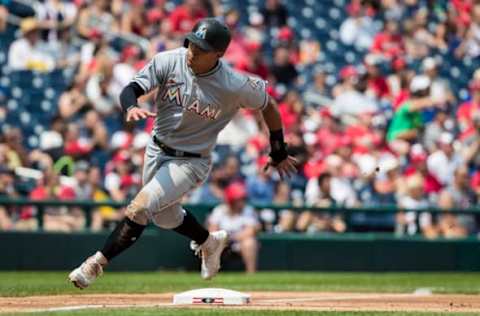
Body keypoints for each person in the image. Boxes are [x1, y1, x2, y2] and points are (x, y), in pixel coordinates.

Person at [69, 18, 297, 289]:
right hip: (156, 149)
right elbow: (131, 89)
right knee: (165, 218)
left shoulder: (234, 84)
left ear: (219, 54)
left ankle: (95, 264)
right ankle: (209, 242)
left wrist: (278, 148)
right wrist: (130, 106)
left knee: (140, 207)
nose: (192, 51)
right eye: (191, 43)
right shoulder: (170, 60)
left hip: (191, 160)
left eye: (201, 49)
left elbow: (268, 105)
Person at [207, 182, 260, 273]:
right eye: (239, 199)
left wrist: (231, 238)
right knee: (210, 243)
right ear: (231, 200)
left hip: (238, 242)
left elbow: (251, 230)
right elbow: (212, 230)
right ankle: (210, 273)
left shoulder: (247, 210)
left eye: (243, 198)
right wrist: (223, 239)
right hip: (221, 243)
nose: (242, 201)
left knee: (249, 242)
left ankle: (251, 273)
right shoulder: (219, 210)